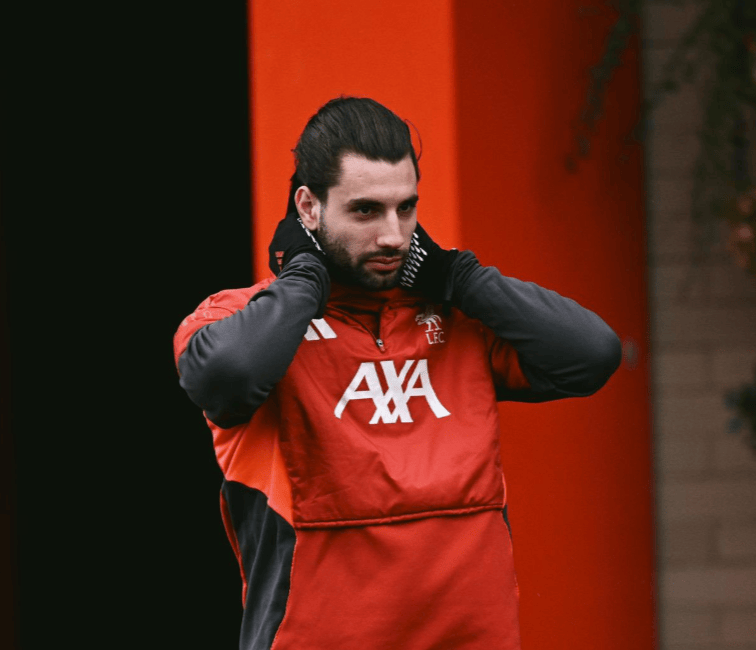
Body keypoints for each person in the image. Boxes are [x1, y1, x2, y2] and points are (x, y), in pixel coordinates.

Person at [173, 96, 622, 650]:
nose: (393, 235)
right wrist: (304, 278)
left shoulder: (460, 321)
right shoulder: (239, 319)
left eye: (405, 208)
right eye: (366, 211)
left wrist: (458, 276)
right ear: (308, 208)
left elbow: (592, 354)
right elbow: (226, 375)